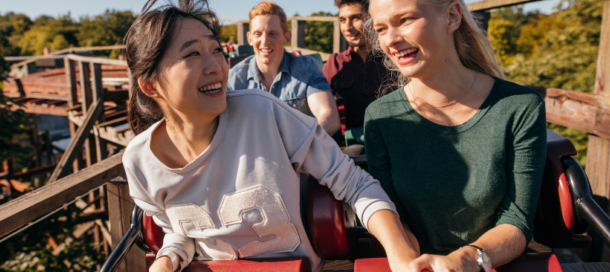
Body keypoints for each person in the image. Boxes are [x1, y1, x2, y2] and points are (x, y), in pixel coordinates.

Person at [122, 1, 420, 271]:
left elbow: (354, 182)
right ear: (151, 86)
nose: (216, 67)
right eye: (192, 54)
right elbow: (181, 230)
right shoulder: (139, 162)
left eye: (217, 50)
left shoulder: (264, 109)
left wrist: (399, 252)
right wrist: (166, 259)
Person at [364, 0, 547, 271]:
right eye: (381, 29)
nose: (390, 39)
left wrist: (467, 259)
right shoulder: (380, 116)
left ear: (451, 17)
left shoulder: (519, 106)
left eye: (405, 20)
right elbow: (394, 216)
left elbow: (517, 221)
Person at [227, 1, 341, 136]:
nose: (264, 41)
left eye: (272, 33)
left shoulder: (306, 68)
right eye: (258, 34)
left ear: (287, 37)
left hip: (302, 153)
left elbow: (329, 117)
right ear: (249, 38)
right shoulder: (234, 78)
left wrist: (297, 148)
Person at [323, 0, 391, 145]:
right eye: (342, 20)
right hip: (353, 148)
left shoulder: (392, 58)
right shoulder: (335, 63)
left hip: (394, 141)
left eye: (356, 18)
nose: (348, 27)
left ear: (372, 19)